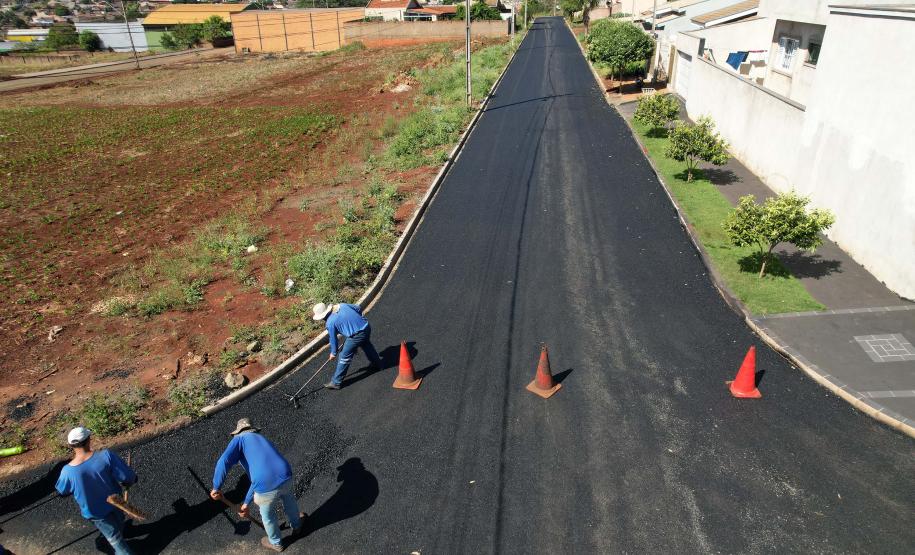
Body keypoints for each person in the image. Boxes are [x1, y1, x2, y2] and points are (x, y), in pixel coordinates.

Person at [211, 418, 302, 552]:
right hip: (286, 473)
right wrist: (246, 503)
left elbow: (224, 461)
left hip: (265, 483)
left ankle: (276, 543)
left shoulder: (239, 439)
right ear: (253, 429)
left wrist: (216, 487)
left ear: (237, 432)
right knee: (289, 501)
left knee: (268, 516)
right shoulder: (261, 438)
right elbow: (257, 479)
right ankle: (297, 525)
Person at [55, 427, 137, 555]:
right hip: (117, 502)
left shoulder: (67, 471)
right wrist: (130, 480)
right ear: (89, 440)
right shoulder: (106, 456)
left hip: (96, 512)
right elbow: (128, 477)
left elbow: (62, 492)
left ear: (71, 446)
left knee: (115, 539)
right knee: (119, 521)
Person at [312, 302, 382, 390]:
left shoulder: (330, 322)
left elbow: (333, 339)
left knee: (344, 356)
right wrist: (357, 321)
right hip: (366, 326)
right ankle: (378, 364)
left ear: (323, 316)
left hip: (356, 335)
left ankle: (336, 382)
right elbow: (358, 308)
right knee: (366, 345)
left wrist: (333, 353)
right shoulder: (342, 305)